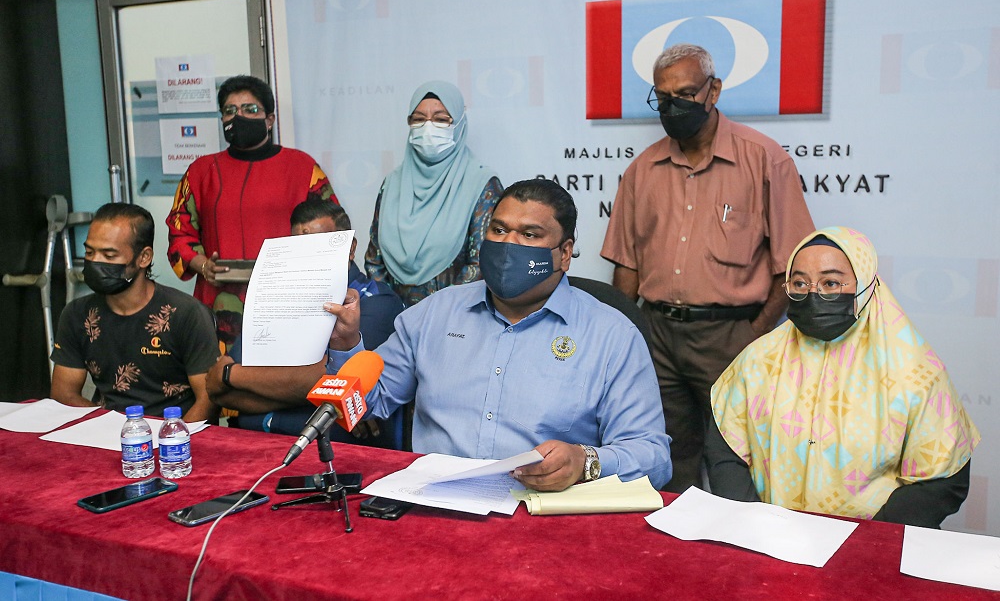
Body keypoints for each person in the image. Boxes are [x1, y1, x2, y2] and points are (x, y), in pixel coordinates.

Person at [328, 179, 672, 491]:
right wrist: (346, 346)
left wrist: (585, 462)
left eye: (530, 235)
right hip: (436, 508)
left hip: (543, 517)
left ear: (564, 254)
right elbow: (365, 409)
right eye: (499, 229)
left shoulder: (611, 335)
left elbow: (654, 458)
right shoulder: (434, 314)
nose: (509, 245)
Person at [600, 43, 815, 492]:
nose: (673, 107)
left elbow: (794, 265)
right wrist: (628, 339)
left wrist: (752, 335)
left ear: (713, 91)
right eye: (662, 98)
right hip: (656, 337)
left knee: (736, 460)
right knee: (664, 462)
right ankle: (669, 554)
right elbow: (627, 269)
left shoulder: (764, 159)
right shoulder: (642, 170)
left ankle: (734, 556)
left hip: (731, 335)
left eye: (685, 94)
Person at [708, 227, 980, 527]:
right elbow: (726, 448)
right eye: (799, 283)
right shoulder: (758, 359)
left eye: (831, 283)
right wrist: (754, 524)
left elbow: (944, 481)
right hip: (770, 541)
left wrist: (865, 541)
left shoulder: (916, 372)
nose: (813, 294)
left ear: (865, 285)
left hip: (872, 549)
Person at [206, 199, 404, 447]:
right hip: (256, 447)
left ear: (350, 249)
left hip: (330, 456)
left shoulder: (375, 300)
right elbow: (218, 390)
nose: (307, 257)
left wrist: (231, 374)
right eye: (298, 247)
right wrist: (311, 393)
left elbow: (337, 379)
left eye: (317, 246)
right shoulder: (272, 298)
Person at [166, 74, 339, 347]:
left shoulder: (303, 167)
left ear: (269, 119)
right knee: (222, 381)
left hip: (288, 302)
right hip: (219, 307)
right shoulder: (200, 172)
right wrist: (203, 265)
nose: (239, 116)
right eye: (229, 111)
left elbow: (334, 229)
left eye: (250, 109)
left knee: (284, 381)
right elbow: (179, 233)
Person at [50, 203, 219, 421]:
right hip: (106, 430)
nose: (95, 262)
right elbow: (63, 394)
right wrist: (114, 428)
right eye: (90, 252)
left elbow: (209, 399)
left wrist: (173, 441)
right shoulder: (77, 314)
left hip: (176, 437)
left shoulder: (186, 314)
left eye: (109, 255)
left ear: (144, 257)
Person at [365, 80, 502, 307]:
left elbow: (481, 264)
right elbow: (374, 259)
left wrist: (434, 315)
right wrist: (391, 311)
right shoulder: (392, 184)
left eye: (441, 119)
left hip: (454, 321)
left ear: (459, 125)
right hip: (393, 322)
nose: (428, 127)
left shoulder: (482, 185)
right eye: (418, 119)